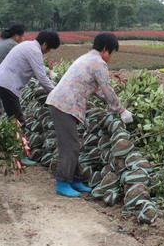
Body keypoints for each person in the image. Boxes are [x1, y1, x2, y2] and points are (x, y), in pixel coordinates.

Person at [45, 33, 133, 198]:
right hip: (64, 105)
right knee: (70, 146)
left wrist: (114, 106)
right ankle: (63, 183)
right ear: (106, 49)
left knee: (74, 144)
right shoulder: (98, 63)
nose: (111, 57)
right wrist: (121, 110)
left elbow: (98, 89)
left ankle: (74, 180)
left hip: (63, 104)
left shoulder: (87, 58)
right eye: (112, 52)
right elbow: (107, 89)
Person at [0, 29, 60, 124]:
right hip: (7, 85)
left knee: (13, 118)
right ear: (45, 44)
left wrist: (51, 77)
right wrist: (57, 94)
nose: (48, 51)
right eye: (49, 49)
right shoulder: (35, 51)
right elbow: (42, 78)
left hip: (1, 82)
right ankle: (18, 138)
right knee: (18, 121)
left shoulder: (27, 45)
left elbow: (38, 70)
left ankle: (12, 137)